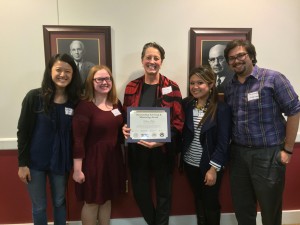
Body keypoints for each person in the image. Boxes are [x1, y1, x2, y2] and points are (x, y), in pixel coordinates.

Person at [224, 39, 300, 225]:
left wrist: (288, 149)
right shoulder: (229, 86)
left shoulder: (273, 79)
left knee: (270, 209)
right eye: (231, 58)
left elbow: (294, 110)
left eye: (240, 55)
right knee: (243, 209)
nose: (236, 60)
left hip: (268, 155)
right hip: (238, 155)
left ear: (250, 55)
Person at [122, 42, 184, 225]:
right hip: (138, 150)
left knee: (164, 193)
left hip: (163, 151)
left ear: (161, 61)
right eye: (148, 57)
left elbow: (179, 121)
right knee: (140, 192)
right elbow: (126, 117)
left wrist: (163, 141)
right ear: (142, 60)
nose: (152, 61)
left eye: (156, 58)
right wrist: (124, 128)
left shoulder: (172, 87)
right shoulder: (131, 87)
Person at [17, 53, 82, 225]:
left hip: (60, 161)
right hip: (35, 162)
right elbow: (23, 132)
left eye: (68, 71)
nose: (63, 75)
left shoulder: (75, 101)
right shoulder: (34, 97)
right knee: (39, 207)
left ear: (73, 74)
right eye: (58, 70)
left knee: (60, 202)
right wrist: (22, 164)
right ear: (50, 71)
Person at [72, 65, 126, 225]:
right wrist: (77, 170)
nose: (105, 82)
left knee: (107, 199)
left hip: (112, 160)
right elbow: (78, 140)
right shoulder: (84, 106)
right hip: (92, 162)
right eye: (99, 79)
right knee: (92, 202)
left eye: (107, 78)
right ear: (91, 82)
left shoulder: (116, 103)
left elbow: (119, 128)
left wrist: (124, 129)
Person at [181, 65, 231, 225]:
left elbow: (224, 142)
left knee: (210, 203)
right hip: (190, 163)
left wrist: (213, 169)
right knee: (199, 199)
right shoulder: (187, 105)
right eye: (192, 83)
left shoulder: (221, 109)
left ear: (210, 85)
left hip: (209, 165)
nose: (195, 87)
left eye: (200, 83)